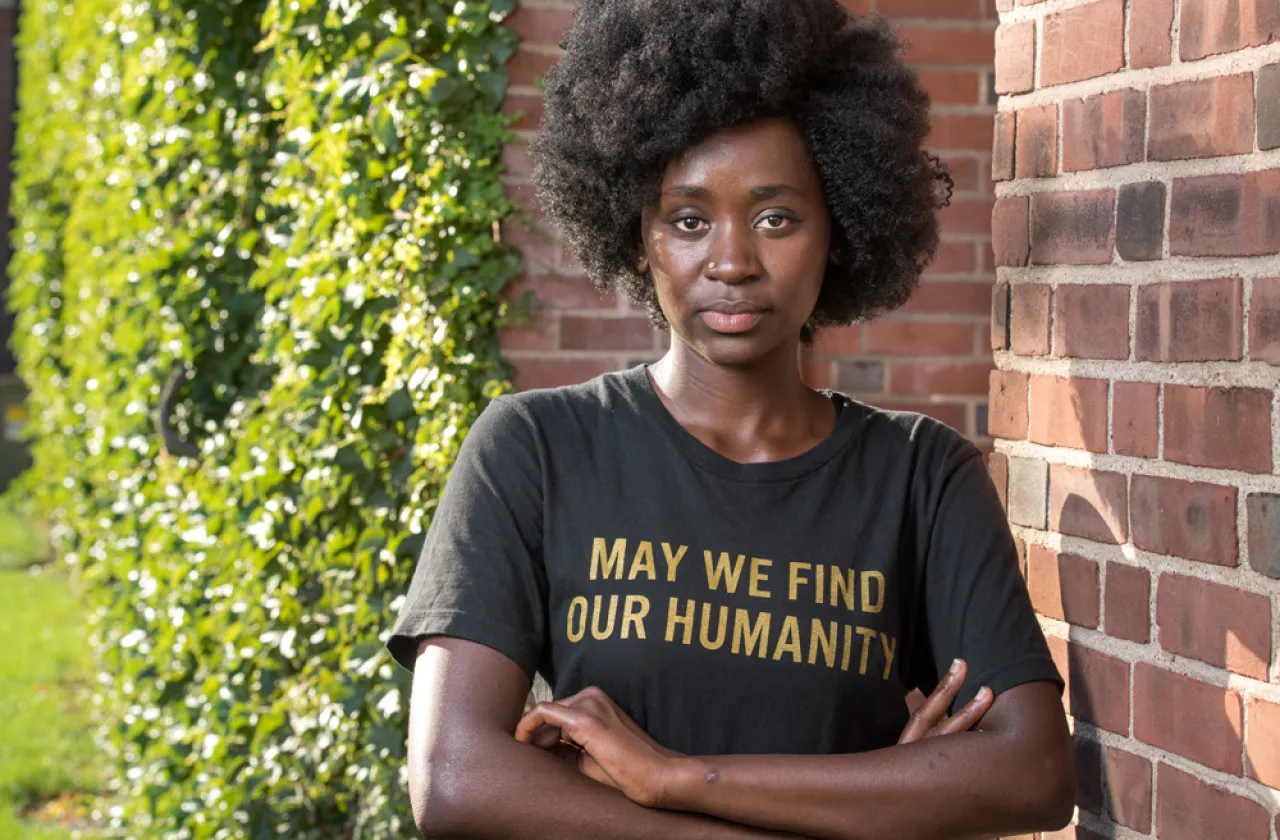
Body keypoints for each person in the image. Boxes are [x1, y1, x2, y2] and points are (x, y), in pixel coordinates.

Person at [386, 1, 1075, 837]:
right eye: (686, 219)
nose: (732, 261)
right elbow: (457, 780)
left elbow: (1033, 772)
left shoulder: (922, 478)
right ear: (639, 237)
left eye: (776, 217)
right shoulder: (536, 449)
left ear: (839, 231)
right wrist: (870, 794)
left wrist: (675, 777)